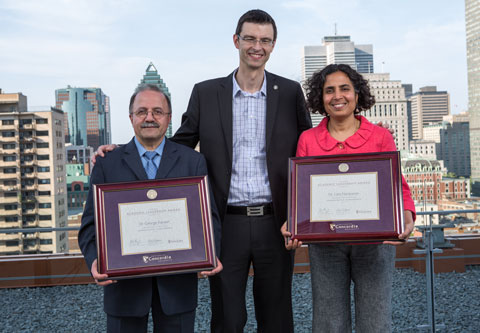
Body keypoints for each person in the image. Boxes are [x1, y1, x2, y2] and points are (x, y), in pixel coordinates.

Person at [94, 9, 311, 332]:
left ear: (273, 45)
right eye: (250, 38)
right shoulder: (206, 93)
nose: (257, 46)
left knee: (277, 317)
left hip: (275, 224)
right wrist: (123, 151)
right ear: (236, 41)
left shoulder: (290, 92)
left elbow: (309, 150)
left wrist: (300, 217)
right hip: (225, 225)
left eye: (265, 40)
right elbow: (177, 147)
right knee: (227, 319)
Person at [281, 64, 416, 333]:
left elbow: (398, 187)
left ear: (357, 94)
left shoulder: (380, 137)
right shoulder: (308, 139)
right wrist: (293, 223)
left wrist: (407, 218)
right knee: (328, 323)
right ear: (321, 98)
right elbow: (302, 193)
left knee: (375, 323)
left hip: (375, 244)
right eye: (329, 90)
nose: (337, 96)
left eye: (345, 88)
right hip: (326, 244)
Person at [78, 84, 222, 333]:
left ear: (169, 118)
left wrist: (210, 253)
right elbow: (90, 224)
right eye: (142, 111)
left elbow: (209, 217)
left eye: (157, 111)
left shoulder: (193, 162)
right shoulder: (107, 164)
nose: (149, 117)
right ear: (131, 117)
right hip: (123, 290)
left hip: (178, 289)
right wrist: (94, 261)